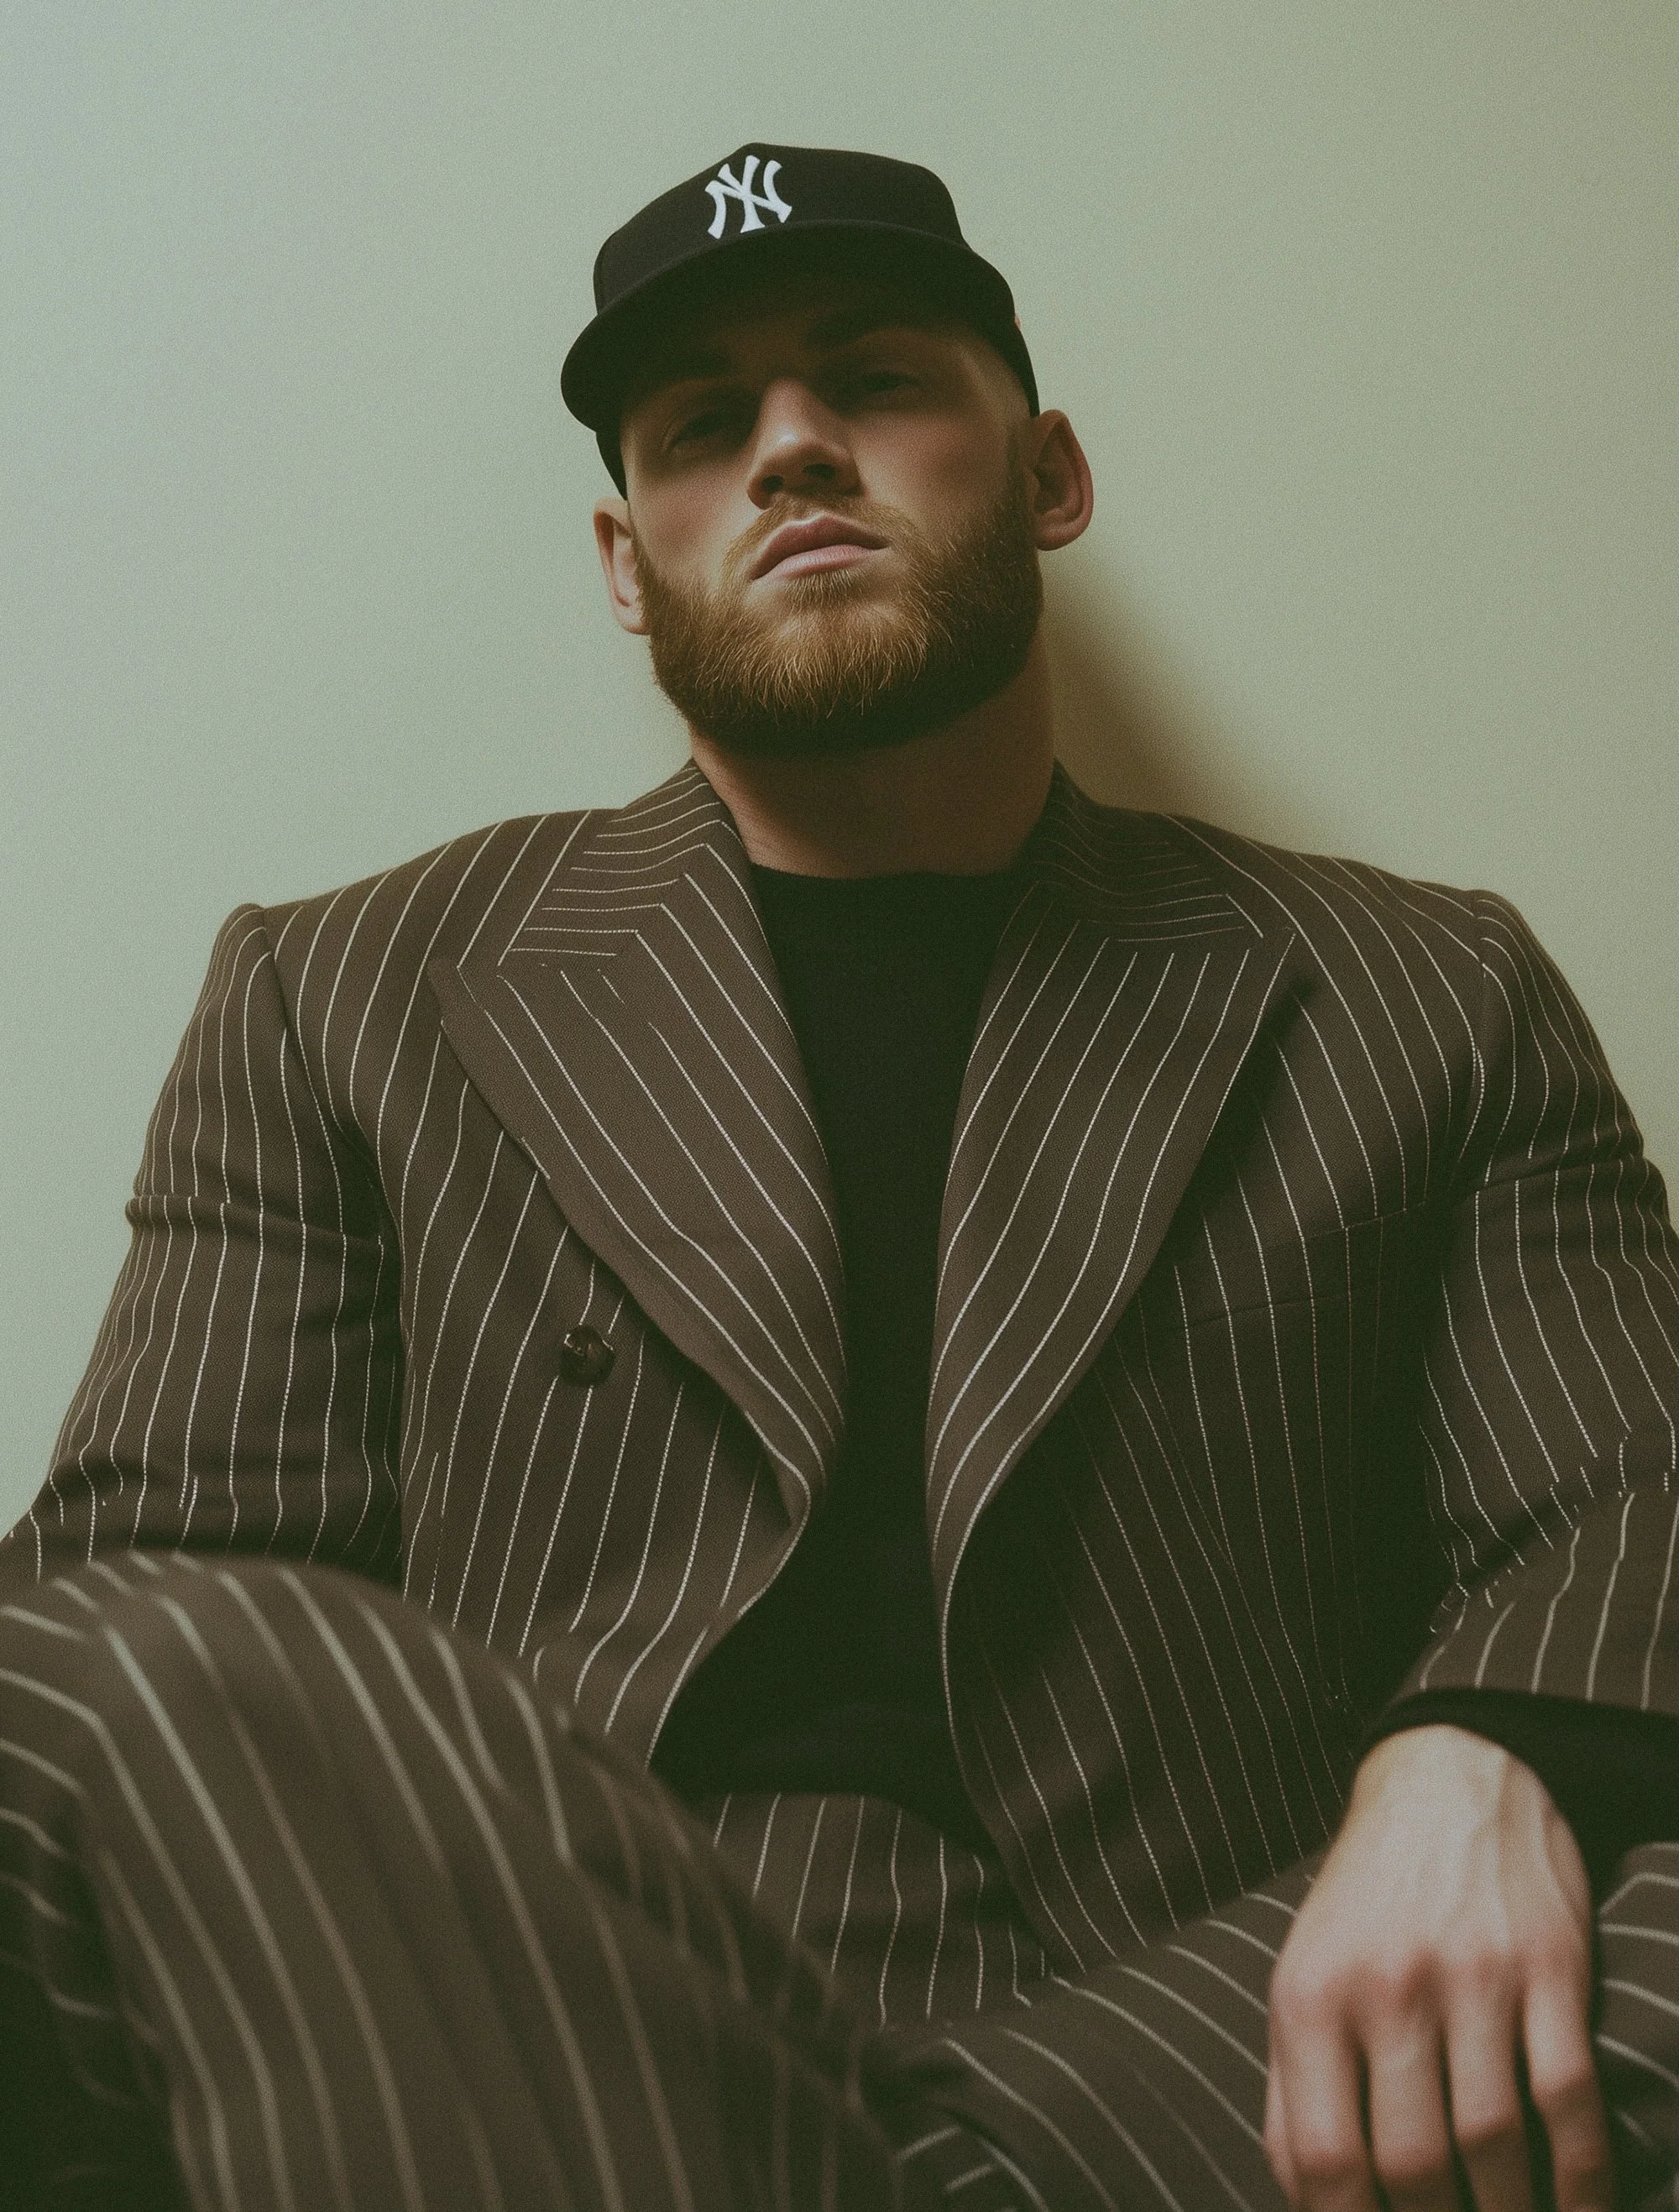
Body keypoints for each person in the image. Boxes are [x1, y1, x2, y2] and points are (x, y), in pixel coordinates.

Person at [3, 142, 1677, 2212]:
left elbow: (1624, 1498)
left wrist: (1482, 1756)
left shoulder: (1425, 990)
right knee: (146, 1659)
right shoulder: (344, 992)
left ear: (1047, 475)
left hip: (1210, 2018)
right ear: (629, 566)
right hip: (524, 1975)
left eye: (874, 379)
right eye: (707, 425)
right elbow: (127, 1620)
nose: (794, 445)